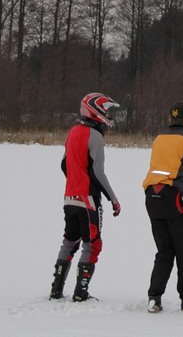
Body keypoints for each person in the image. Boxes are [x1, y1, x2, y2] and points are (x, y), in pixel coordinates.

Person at [48, 92, 122, 301]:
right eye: (106, 110)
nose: (108, 114)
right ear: (95, 111)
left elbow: (64, 165)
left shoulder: (72, 132)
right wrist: (113, 199)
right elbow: (98, 173)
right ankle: (81, 293)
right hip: (88, 200)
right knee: (93, 244)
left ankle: (56, 290)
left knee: (69, 241)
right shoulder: (95, 136)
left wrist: (76, 180)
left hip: (69, 197)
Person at [142, 101, 183, 313]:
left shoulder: (159, 138)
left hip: (152, 197)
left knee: (164, 251)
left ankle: (154, 297)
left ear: (171, 118)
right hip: (176, 201)